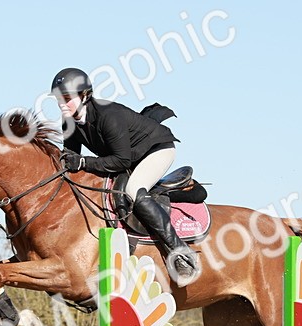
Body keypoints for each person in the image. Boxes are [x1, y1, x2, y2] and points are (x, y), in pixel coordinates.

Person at [51, 67, 201, 285]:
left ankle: (181, 252)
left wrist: (83, 162)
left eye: (67, 98)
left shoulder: (107, 115)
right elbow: (72, 158)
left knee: (134, 190)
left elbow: (120, 160)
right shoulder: (69, 122)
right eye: (58, 99)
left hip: (155, 150)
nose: (62, 104)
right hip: (127, 157)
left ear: (84, 95)